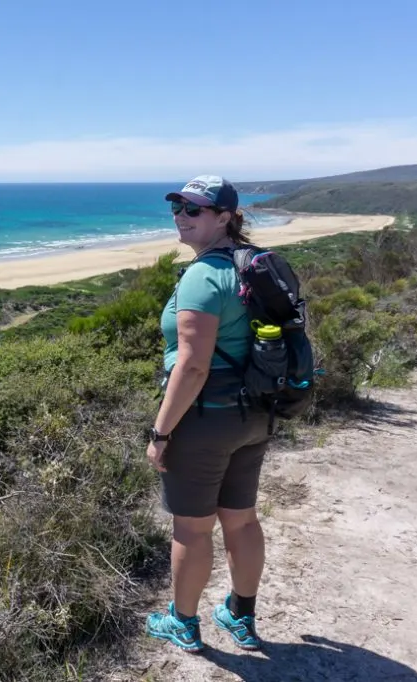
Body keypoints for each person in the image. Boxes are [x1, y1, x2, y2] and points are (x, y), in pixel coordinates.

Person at [144, 175, 270, 653]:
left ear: (224, 218)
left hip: (207, 418)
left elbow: (193, 366)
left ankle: (183, 623)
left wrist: (161, 431)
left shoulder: (203, 274)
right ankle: (241, 615)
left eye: (193, 210)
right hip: (254, 414)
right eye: (177, 207)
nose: (180, 216)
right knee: (241, 519)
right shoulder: (252, 265)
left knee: (192, 528)